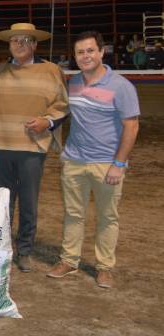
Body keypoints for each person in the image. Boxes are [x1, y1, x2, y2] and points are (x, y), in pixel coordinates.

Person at [46, 31, 139, 288]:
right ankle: (69, 260)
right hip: (74, 162)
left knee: (107, 217)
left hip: (106, 164)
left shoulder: (121, 86)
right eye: (80, 52)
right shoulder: (73, 83)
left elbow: (131, 127)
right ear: (74, 57)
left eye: (90, 51)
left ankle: (104, 267)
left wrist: (119, 164)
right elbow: (59, 111)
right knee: (73, 214)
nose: (85, 56)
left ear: (101, 52)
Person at [0, 23, 69, 272]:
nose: (20, 45)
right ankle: (3, 248)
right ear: (9, 45)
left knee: (29, 202)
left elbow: (62, 105)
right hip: (0, 145)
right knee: (2, 203)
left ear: (35, 44)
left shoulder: (51, 71)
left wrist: (47, 122)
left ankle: (25, 250)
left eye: (25, 40)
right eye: (15, 41)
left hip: (31, 147)